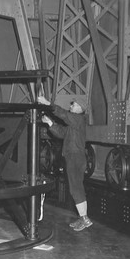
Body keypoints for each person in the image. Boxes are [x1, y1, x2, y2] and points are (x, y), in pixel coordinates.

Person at [37, 95, 93, 232]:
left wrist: (48, 104)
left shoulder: (78, 119)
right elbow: (62, 133)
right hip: (73, 157)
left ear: (80, 107)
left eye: (73, 104)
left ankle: (85, 219)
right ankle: (82, 217)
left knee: (76, 188)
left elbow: (63, 114)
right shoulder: (74, 124)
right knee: (76, 188)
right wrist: (50, 123)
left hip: (75, 157)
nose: (71, 106)